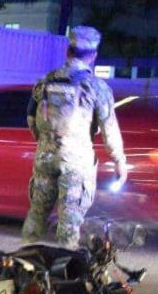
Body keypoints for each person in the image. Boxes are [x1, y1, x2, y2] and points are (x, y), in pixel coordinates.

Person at [22, 26, 129, 249]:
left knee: (37, 214)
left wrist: (45, 143)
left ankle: (23, 261)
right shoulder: (96, 87)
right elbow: (109, 128)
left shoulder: (44, 82)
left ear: (68, 52)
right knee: (69, 221)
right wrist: (119, 161)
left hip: (45, 157)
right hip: (76, 162)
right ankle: (64, 271)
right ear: (93, 56)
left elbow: (31, 118)